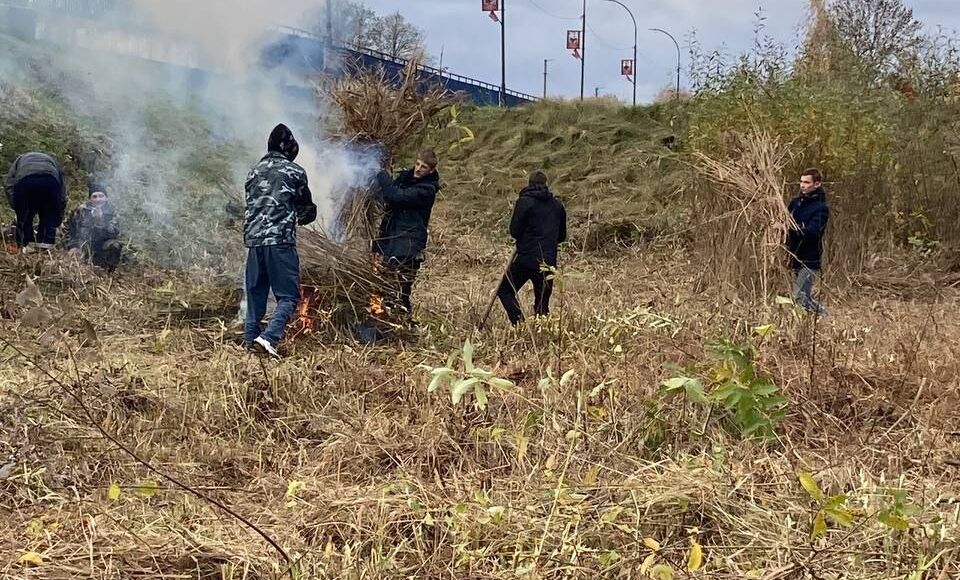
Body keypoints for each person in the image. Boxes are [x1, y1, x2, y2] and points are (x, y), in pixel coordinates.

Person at [243, 123, 317, 358]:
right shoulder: (294, 172)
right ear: (289, 148)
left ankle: (250, 340)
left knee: (256, 294)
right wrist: (304, 215)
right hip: (280, 242)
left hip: (254, 242)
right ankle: (269, 338)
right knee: (289, 296)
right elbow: (306, 208)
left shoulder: (253, 172)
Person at [372, 149, 440, 316]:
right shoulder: (404, 179)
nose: (418, 169)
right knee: (384, 287)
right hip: (391, 241)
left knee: (401, 291)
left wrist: (381, 174)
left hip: (409, 245)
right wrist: (378, 245)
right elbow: (386, 200)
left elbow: (396, 196)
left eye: (423, 167)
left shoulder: (427, 190)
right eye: (417, 164)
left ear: (431, 170)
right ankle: (385, 319)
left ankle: (403, 321)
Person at [497, 171, 567, 326]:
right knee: (542, 305)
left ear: (529, 183)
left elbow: (515, 231)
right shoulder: (557, 206)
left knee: (505, 290)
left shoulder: (524, 202)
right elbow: (561, 236)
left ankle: (520, 324)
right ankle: (542, 333)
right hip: (548, 263)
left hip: (526, 259)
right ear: (546, 184)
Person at [4, 151, 67, 253]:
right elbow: (62, 191)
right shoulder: (52, 160)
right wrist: (57, 216)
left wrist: (18, 207)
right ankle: (46, 250)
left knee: (25, 217)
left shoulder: (19, 159)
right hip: (50, 180)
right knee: (48, 216)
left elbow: (9, 184)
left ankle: (26, 247)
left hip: (25, 180)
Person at [787, 167, 830, 315]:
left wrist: (790, 229)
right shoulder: (795, 203)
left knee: (799, 297)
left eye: (807, 182)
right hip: (794, 256)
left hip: (809, 260)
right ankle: (822, 316)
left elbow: (812, 232)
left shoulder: (821, 208)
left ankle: (824, 315)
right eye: (801, 182)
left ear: (817, 184)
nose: (802, 185)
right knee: (803, 297)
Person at [66, 182, 122, 271]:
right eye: (94, 196)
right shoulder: (81, 210)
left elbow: (114, 233)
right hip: (83, 245)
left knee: (115, 245)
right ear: (90, 199)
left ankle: (109, 271)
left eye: (101, 196)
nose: (98, 199)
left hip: (103, 247)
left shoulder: (112, 211)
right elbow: (69, 229)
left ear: (106, 198)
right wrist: (73, 246)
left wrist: (100, 220)